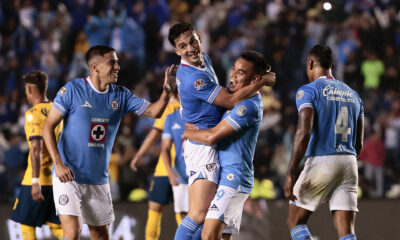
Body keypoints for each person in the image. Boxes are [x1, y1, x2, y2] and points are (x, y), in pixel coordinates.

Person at [42, 45, 176, 240]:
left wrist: (166, 92)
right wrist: (59, 164)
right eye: (112, 62)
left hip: (98, 178)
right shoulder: (73, 90)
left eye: (117, 62)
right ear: (94, 66)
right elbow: (47, 127)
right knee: (72, 232)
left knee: (101, 235)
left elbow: (154, 112)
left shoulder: (121, 95)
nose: (117, 67)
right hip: (68, 175)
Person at [168, 22, 275, 240]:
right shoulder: (193, 77)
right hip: (202, 144)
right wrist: (262, 81)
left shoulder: (203, 60)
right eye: (183, 46)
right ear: (177, 51)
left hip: (213, 145)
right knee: (198, 215)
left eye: (192, 41)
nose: (190, 48)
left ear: (199, 37)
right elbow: (229, 99)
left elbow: (223, 97)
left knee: (212, 225)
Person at [183, 51, 269, 240]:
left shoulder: (247, 107)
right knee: (222, 237)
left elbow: (212, 136)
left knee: (208, 235)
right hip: (230, 177)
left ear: (255, 79)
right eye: (234, 68)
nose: (233, 75)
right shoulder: (236, 99)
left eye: (241, 73)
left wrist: (186, 132)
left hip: (234, 177)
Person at [284, 44, 364, 240]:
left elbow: (303, 132)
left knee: (295, 221)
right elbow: (359, 144)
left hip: (322, 161)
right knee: (346, 231)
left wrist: (291, 172)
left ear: (310, 63)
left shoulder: (309, 90)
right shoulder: (354, 95)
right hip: (349, 163)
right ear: (332, 65)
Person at [11, 71, 63, 239]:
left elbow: (36, 148)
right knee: (56, 226)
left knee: (26, 226)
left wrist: (34, 182)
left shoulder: (33, 114)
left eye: (26, 90)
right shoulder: (58, 110)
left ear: (30, 90)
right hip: (57, 178)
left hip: (38, 179)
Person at [130, 90, 180, 240]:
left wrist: (138, 155)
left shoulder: (171, 111)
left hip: (166, 169)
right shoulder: (193, 109)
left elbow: (154, 135)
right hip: (187, 170)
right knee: (184, 212)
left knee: (155, 208)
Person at [160, 106, 189, 227]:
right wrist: (170, 172)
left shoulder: (202, 112)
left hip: (201, 171)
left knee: (202, 214)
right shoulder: (171, 118)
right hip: (180, 173)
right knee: (183, 213)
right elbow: (165, 148)